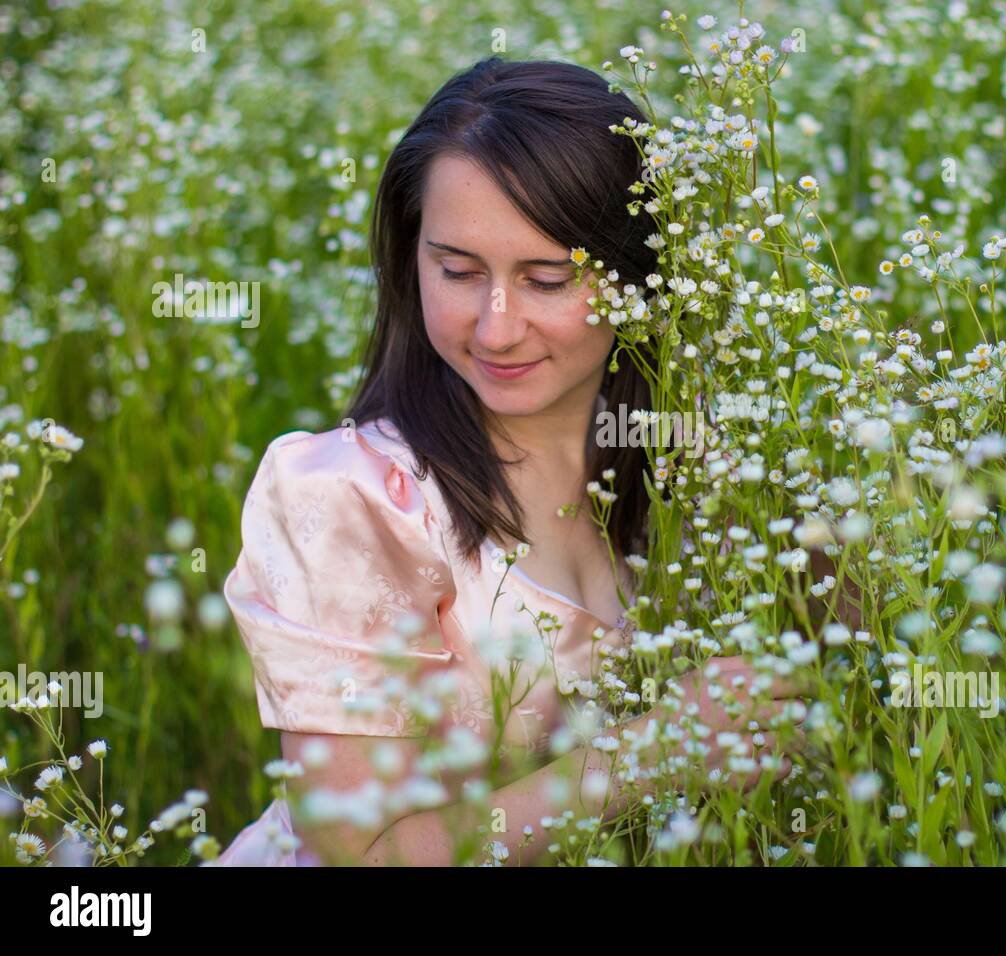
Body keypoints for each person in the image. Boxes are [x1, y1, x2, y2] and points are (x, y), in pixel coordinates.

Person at [215, 56, 809, 867]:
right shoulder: (354, 501)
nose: (496, 329)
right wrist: (651, 752)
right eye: (457, 271)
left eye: (548, 279)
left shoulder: (706, 469)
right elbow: (361, 854)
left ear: (644, 276)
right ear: (409, 256)